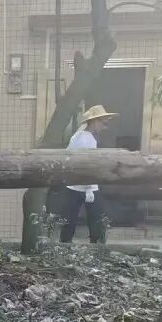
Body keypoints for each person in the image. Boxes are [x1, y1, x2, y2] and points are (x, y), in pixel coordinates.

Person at [59, 104, 116, 244]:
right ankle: (97, 249)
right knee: (96, 222)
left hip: (73, 185)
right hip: (87, 186)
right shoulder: (88, 138)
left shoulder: (77, 136)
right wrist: (90, 188)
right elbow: (88, 165)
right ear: (94, 121)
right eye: (104, 123)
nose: (105, 127)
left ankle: (64, 248)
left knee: (69, 222)